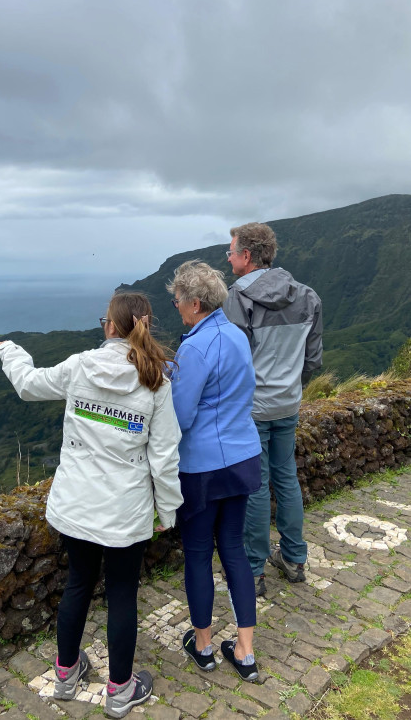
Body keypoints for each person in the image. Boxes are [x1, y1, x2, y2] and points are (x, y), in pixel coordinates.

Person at [0, 292, 183, 718]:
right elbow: (164, 455)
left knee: (78, 583)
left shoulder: (80, 366)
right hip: (125, 510)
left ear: (110, 326)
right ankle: (120, 690)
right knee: (122, 593)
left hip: (77, 504)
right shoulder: (156, 381)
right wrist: (168, 510)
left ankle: (65, 675)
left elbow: (28, 384)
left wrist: (11, 351)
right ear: (145, 324)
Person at [166, 260, 262, 682]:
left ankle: (203, 646)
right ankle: (245, 651)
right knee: (235, 550)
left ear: (195, 303)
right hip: (242, 457)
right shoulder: (237, 335)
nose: (176, 307)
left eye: (178, 301)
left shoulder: (194, 348)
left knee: (199, 554)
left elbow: (181, 416)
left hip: (202, 467)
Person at [223, 222, 322, 597]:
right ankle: (294, 559)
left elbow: (233, 362)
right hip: (288, 402)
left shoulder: (238, 298)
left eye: (231, 252)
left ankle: (253, 571)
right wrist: (291, 386)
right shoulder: (308, 296)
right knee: (286, 477)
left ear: (246, 255)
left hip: (252, 408)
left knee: (256, 485)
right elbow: (313, 360)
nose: (228, 259)